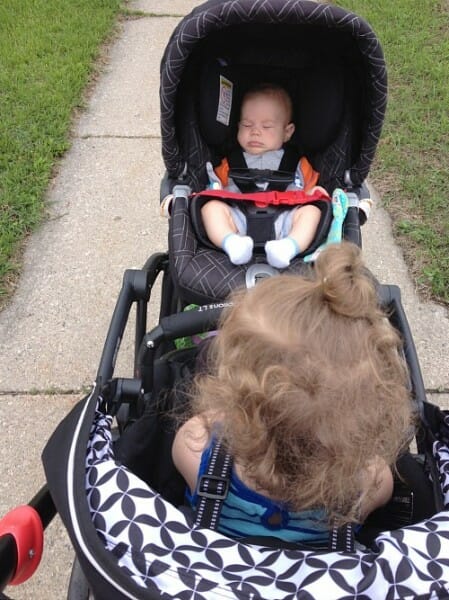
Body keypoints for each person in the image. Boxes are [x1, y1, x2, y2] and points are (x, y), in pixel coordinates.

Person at [172, 242, 414, 543]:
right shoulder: (370, 483)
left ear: (234, 397)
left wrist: (221, 418)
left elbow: (209, 422)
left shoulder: (193, 448)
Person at [201, 83, 328, 269]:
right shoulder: (229, 163)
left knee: (312, 212)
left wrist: (316, 192)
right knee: (211, 207)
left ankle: (288, 247)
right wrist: (213, 190)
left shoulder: (299, 163)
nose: (255, 131)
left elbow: (311, 192)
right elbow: (215, 188)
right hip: (238, 221)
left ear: (287, 132)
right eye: (247, 125)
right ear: (238, 127)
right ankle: (231, 244)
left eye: (267, 126)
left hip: (286, 220)